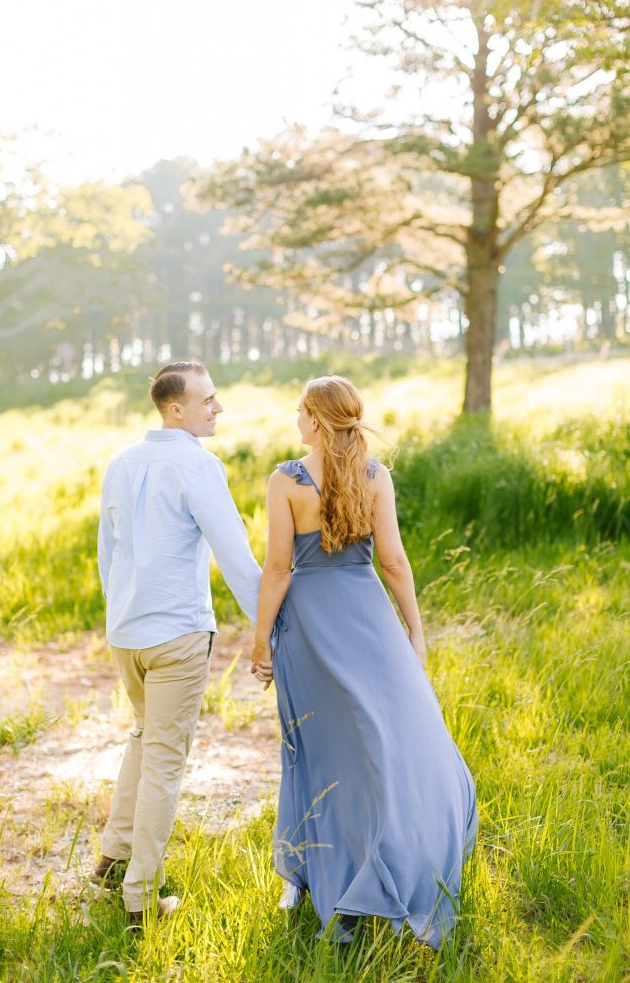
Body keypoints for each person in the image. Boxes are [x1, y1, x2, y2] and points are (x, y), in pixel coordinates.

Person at [250, 375, 478, 947]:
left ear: (317, 420)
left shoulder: (287, 480)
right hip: (369, 617)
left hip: (309, 625)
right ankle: (385, 858)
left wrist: (259, 642)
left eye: (302, 411)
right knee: (385, 741)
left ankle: (318, 874)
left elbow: (278, 569)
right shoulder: (376, 477)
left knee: (319, 748)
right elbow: (395, 563)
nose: (297, 420)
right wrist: (413, 632)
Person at [93, 361, 261, 922]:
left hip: (128, 635)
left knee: (144, 739)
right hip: (177, 637)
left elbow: (108, 554)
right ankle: (141, 898)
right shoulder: (198, 466)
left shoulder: (121, 463)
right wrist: (269, 624)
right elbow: (234, 554)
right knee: (165, 759)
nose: (217, 408)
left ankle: (114, 859)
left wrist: (120, 613)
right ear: (176, 409)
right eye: (208, 400)